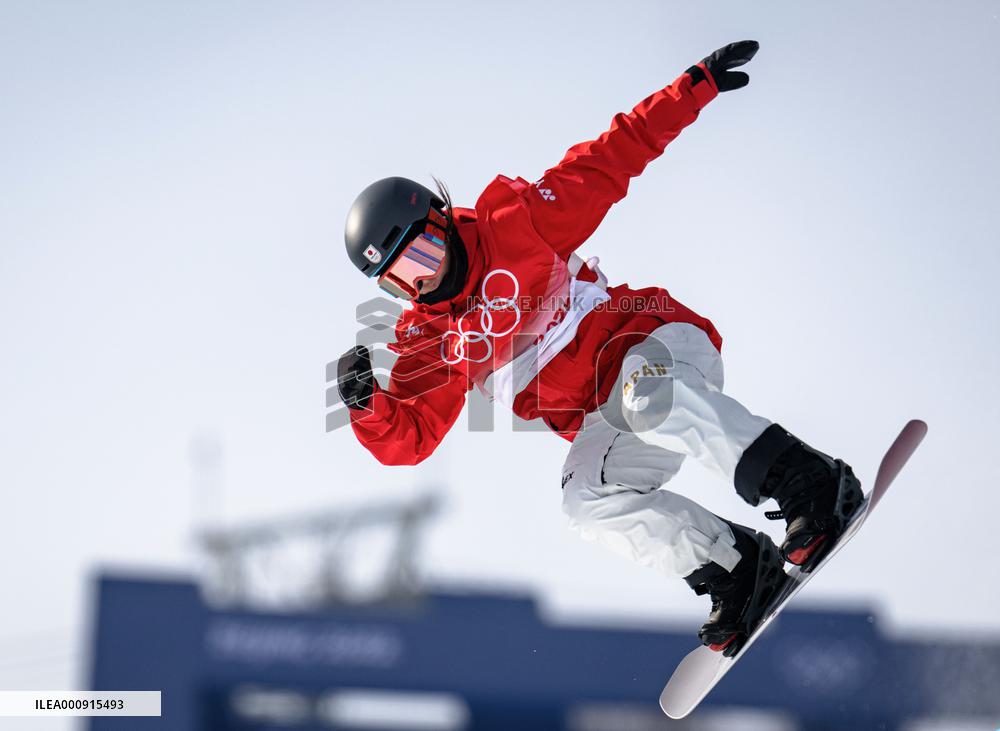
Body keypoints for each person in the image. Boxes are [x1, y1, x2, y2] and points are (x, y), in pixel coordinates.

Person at [335, 41, 862, 655]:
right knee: (586, 501)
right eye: (403, 279)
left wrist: (694, 87)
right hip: (606, 415)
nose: (425, 280)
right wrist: (367, 405)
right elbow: (412, 437)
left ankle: (810, 483)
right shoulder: (432, 344)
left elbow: (611, 159)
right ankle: (740, 568)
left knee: (645, 398)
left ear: (442, 220)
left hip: (657, 344)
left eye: (423, 254)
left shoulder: (517, 224)